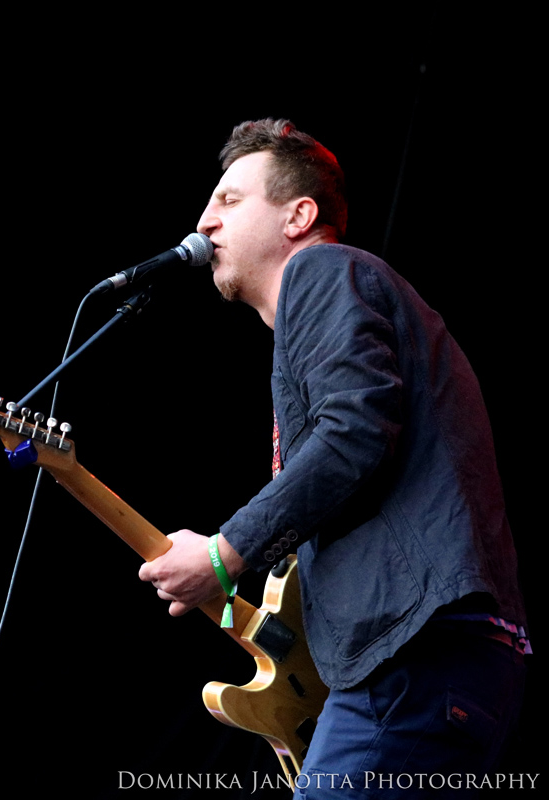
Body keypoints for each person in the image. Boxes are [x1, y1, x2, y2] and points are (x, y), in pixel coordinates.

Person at [138, 120, 527, 797]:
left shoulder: (321, 270)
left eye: (230, 200)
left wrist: (224, 555)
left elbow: (353, 434)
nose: (205, 221)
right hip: (452, 659)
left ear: (299, 216)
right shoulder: (343, 297)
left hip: (410, 657)